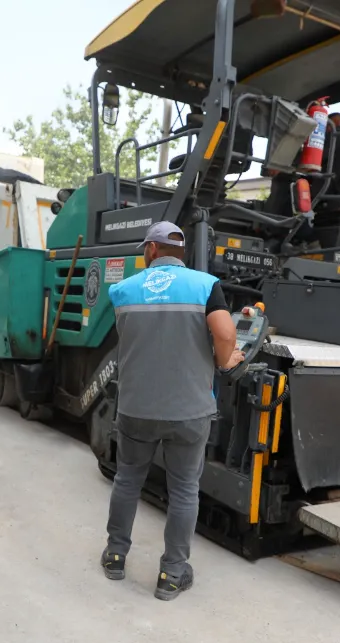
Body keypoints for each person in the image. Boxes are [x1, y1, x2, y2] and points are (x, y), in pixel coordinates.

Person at [100, 220, 244, 601]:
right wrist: (226, 359)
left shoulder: (123, 290)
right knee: (183, 491)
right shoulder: (205, 286)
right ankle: (171, 574)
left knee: (127, 480)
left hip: (136, 409)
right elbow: (225, 333)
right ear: (181, 252)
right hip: (188, 412)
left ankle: (115, 556)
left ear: (151, 250)